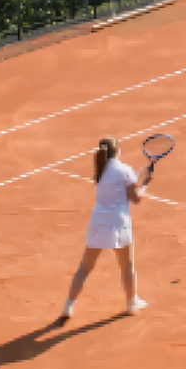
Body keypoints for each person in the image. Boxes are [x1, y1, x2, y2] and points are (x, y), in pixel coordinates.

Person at [58, 136, 149, 321]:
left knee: (84, 267)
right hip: (119, 223)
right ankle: (132, 303)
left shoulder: (101, 168)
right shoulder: (125, 170)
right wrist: (146, 183)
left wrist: (136, 175)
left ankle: (69, 305)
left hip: (98, 222)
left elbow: (119, 183)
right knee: (127, 266)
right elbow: (136, 198)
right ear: (117, 151)